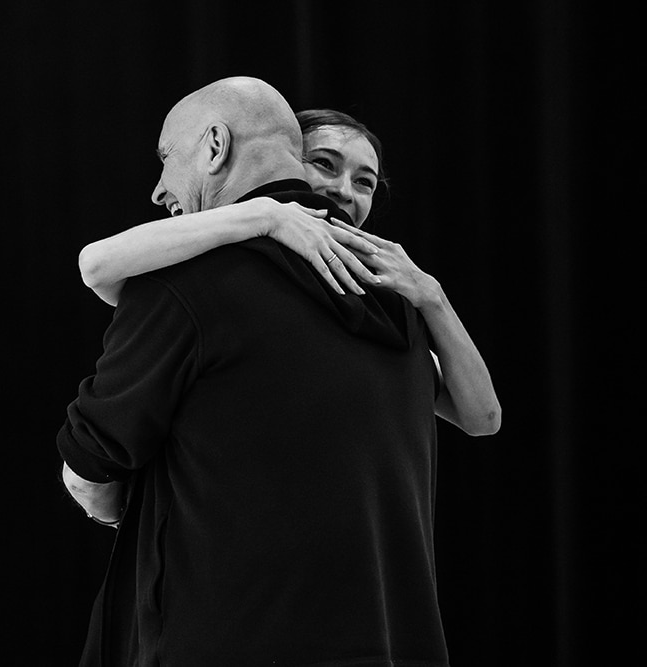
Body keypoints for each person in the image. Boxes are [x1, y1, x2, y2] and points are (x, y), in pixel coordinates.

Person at [58, 76, 497, 665]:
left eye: (167, 158)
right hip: (389, 639)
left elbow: (94, 456)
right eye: (325, 164)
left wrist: (111, 504)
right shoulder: (394, 299)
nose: (161, 187)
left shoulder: (184, 282)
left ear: (214, 146)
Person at [77, 106, 500, 438]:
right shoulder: (224, 263)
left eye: (365, 182)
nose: (343, 191)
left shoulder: (377, 301)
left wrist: (432, 297)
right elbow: (97, 264)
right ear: (282, 162)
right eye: (325, 164)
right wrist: (265, 215)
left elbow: (482, 416)